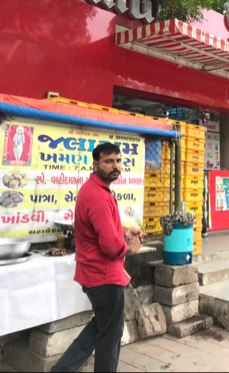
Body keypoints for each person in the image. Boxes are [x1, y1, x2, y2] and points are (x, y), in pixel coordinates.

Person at [51, 143, 145, 373]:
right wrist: (130, 248)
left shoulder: (96, 189)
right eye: (108, 161)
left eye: (118, 161)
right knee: (110, 337)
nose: (115, 166)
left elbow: (105, 228)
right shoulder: (98, 195)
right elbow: (111, 246)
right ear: (95, 164)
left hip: (96, 275)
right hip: (105, 277)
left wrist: (126, 232)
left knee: (100, 328)